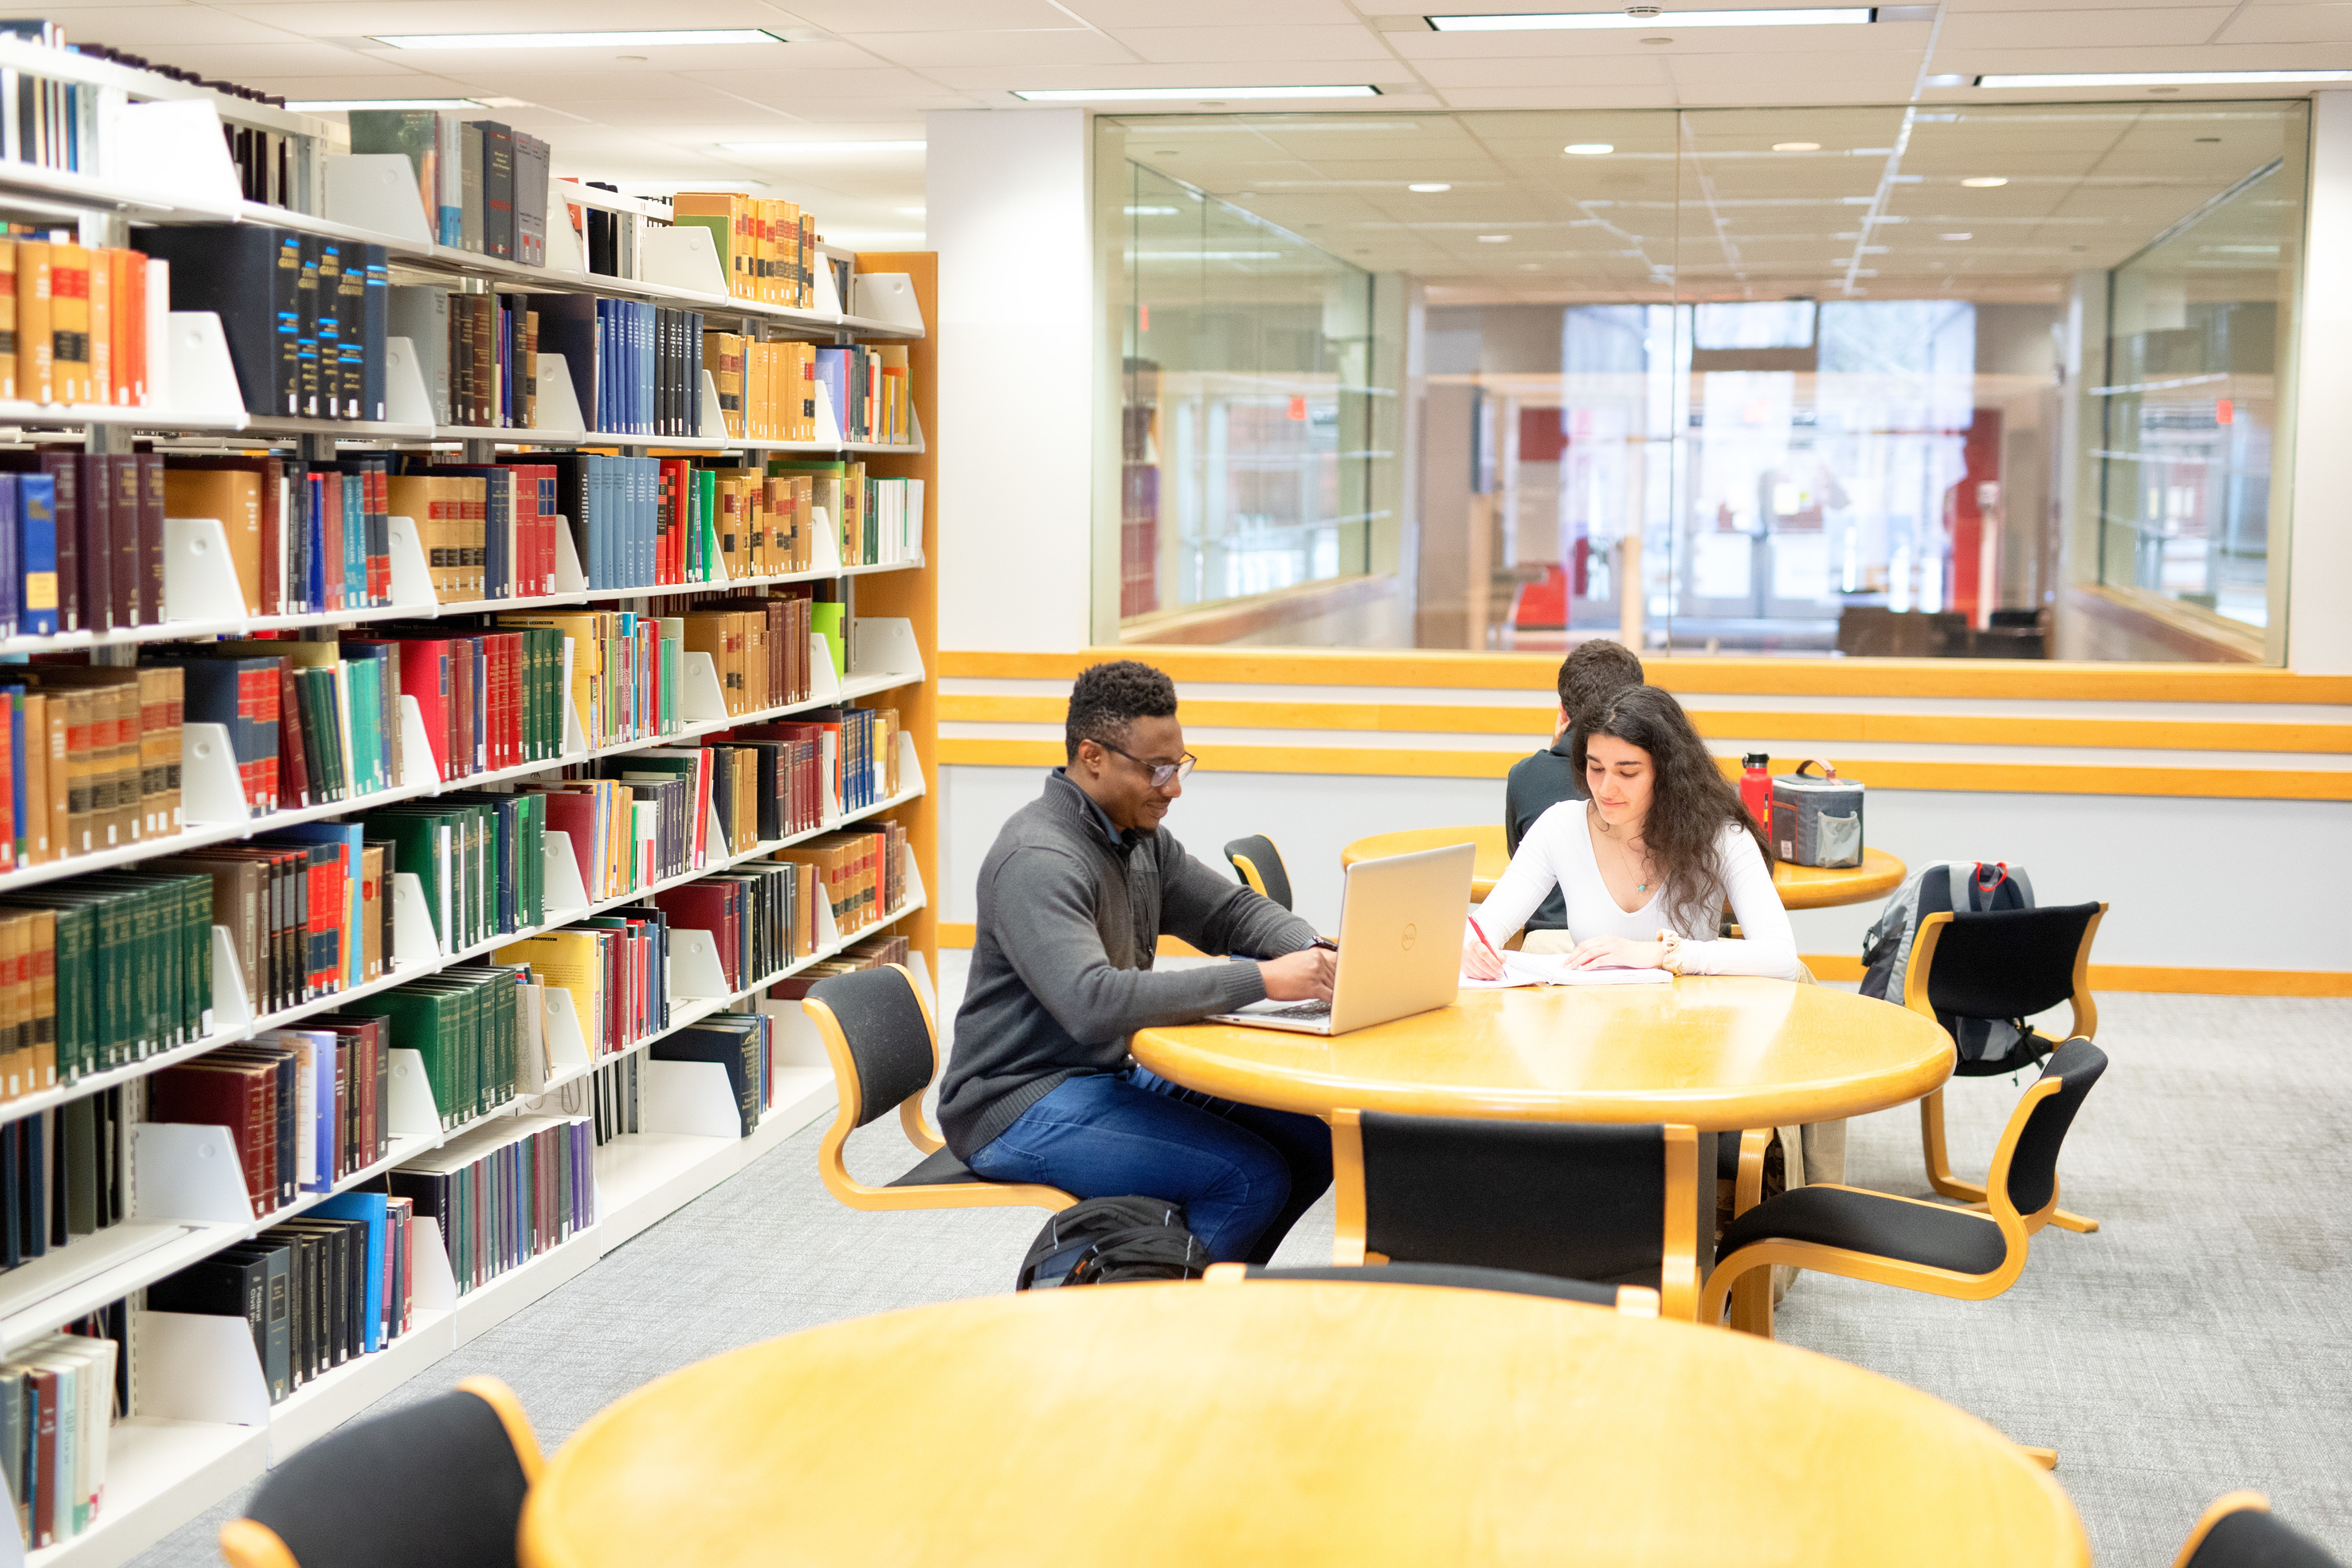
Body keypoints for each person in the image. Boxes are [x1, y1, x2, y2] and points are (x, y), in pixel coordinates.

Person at [938, 660, 1337, 1264]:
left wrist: (1316, 950)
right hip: (1016, 1102)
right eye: (1156, 770)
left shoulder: (1137, 837)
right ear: (1093, 756)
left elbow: (1228, 912)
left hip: (1103, 1072)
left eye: (1178, 766)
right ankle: (1168, 1317)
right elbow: (1093, 1003)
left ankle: (1216, 1291)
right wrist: (1262, 979)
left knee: (1311, 1137)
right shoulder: (1039, 857)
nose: (1173, 787)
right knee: (1248, 1178)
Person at [1465, 684, 1800, 980]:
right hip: (1594, 1029)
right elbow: (1485, 926)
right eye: (1595, 768)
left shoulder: (1722, 836)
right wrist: (1473, 948)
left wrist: (1663, 954)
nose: (1605, 788)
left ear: (1666, 774)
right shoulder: (1561, 825)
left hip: (1690, 1031)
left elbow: (1782, 957)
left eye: (1628, 773)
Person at [1503, 640, 1645, 944]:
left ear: (1562, 711)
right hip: (1632, 941)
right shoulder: (1653, 776)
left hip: (1547, 944)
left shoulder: (1526, 776)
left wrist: (1555, 749)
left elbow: (1524, 860)